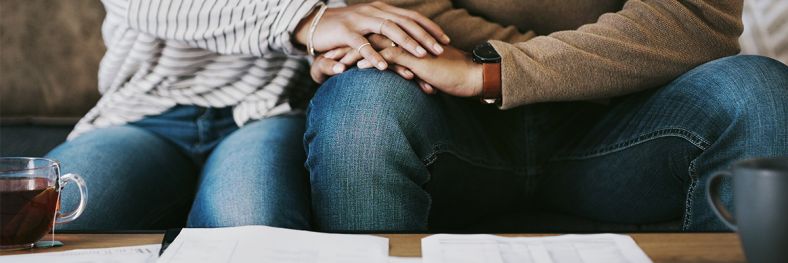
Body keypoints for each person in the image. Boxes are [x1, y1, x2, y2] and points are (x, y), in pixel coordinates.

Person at [306, 0, 788, 232]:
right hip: (449, 123)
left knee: (758, 90)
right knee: (360, 105)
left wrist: (496, 72)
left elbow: (693, 20)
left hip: (630, 125)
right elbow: (400, 12)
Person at [47, 0, 448, 230]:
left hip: (264, 112)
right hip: (143, 113)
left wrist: (332, 57)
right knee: (47, 217)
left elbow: (345, 14)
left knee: (253, 225)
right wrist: (307, 21)